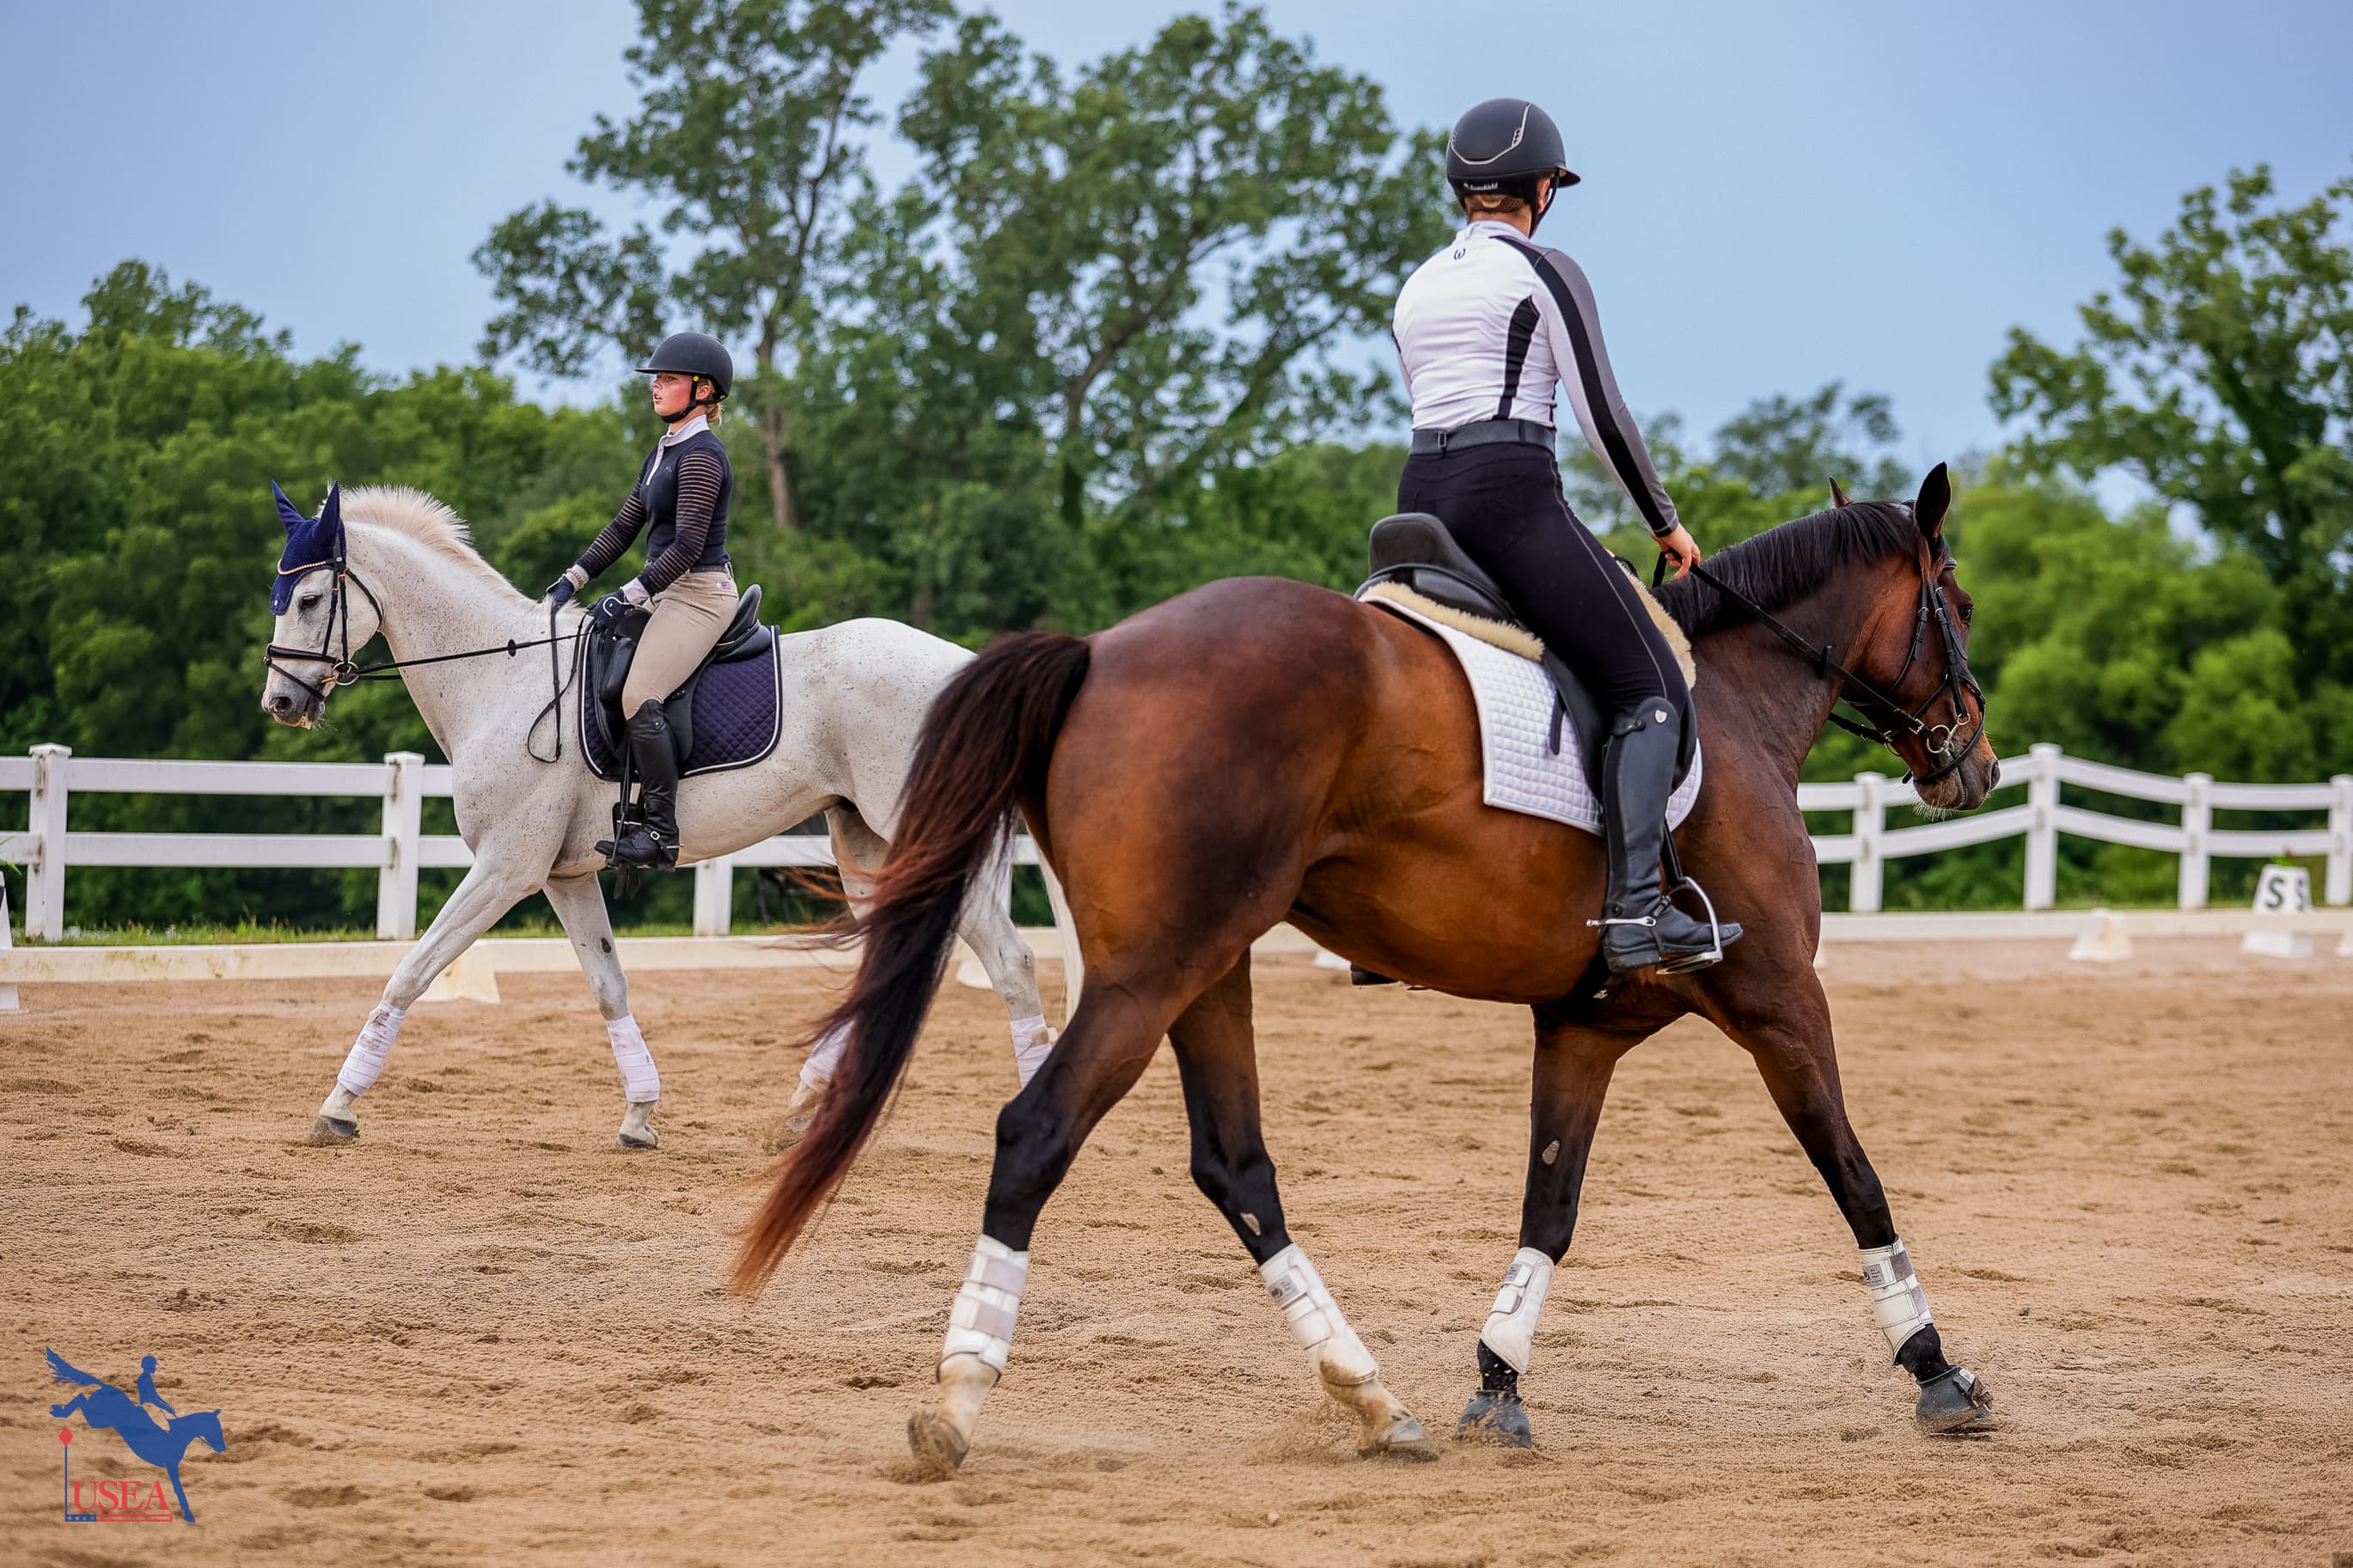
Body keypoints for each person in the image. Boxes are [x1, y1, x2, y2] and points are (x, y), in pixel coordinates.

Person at [1390, 97, 1739, 974]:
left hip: (1417, 500)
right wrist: (1664, 521)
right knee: (1650, 687)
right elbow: (1602, 415)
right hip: (1507, 498)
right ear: (1542, 190)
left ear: (1462, 190)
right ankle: (1634, 910)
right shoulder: (1544, 269)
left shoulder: (1418, 283)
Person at [547, 332, 738, 869]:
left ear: (703, 390)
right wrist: (573, 579)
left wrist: (628, 594)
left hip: (699, 595)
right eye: (657, 378)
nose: (656, 386)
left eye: (669, 379)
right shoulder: (664, 450)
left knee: (638, 695)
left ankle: (660, 833)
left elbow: (688, 547)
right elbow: (625, 524)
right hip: (665, 589)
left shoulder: (703, 456)